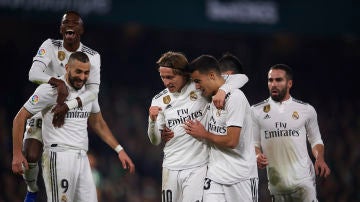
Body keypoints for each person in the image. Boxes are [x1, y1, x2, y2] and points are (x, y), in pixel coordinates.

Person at [12, 52, 135, 202]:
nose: (82, 77)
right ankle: (31, 190)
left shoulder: (89, 93)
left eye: (86, 73)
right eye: (78, 71)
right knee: (31, 155)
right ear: (67, 68)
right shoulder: (49, 90)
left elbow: (98, 123)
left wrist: (119, 150)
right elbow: (19, 118)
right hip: (59, 155)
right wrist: (17, 153)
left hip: (81, 157)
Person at [21, 11, 101, 201]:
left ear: (81, 30)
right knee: (30, 154)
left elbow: (93, 91)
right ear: (61, 28)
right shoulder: (50, 45)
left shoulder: (92, 56)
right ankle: (32, 189)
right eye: (66, 23)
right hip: (45, 107)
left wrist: (70, 105)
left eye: (74, 23)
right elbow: (33, 73)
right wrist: (58, 82)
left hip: (72, 111)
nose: (69, 25)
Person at [147, 51, 248, 202]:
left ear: (183, 74)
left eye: (170, 77)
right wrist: (153, 121)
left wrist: (223, 90)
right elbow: (155, 140)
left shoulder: (199, 87)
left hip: (198, 167)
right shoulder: (159, 100)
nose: (166, 82)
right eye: (162, 77)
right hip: (170, 166)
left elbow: (241, 78)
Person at [183, 54, 258, 202]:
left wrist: (204, 134)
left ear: (211, 75)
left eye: (198, 81)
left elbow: (232, 141)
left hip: (241, 178)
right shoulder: (209, 96)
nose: (197, 87)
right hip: (215, 177)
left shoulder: (236, 98)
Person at [251, 64, 331, 201]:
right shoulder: (255, 111)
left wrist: (319, 158)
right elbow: (254, 143)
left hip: (304, 182)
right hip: (277, 186)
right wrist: (257, 155)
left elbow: (316, 140)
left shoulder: (306, 110)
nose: (274, 84)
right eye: (270, 80)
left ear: (289, 83)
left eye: (278, 80)